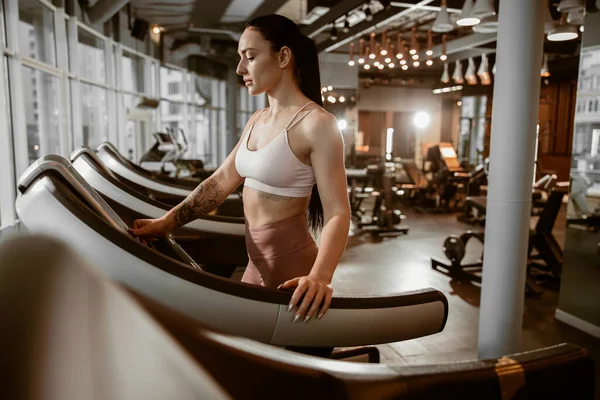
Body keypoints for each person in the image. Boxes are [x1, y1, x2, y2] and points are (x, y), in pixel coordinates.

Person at [130, 14, 350, 324]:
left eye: (250, 56)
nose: (240, 68)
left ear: (283, 56)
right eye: (239, 58)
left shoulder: (318, 125)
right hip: (254, 266)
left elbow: (338, 212)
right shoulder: (256, 121)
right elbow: (220, 182)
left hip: (294, 273)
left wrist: (320, 277)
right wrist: (166, 222)